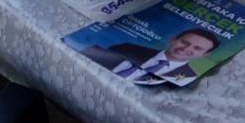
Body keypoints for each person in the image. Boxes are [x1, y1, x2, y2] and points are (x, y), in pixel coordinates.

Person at [79, 28, 217, 85]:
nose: (186, 48)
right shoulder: (128, 47)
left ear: (205, 55)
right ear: (173, 39)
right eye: (184, 42)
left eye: (197, 48)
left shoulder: (188, 78)